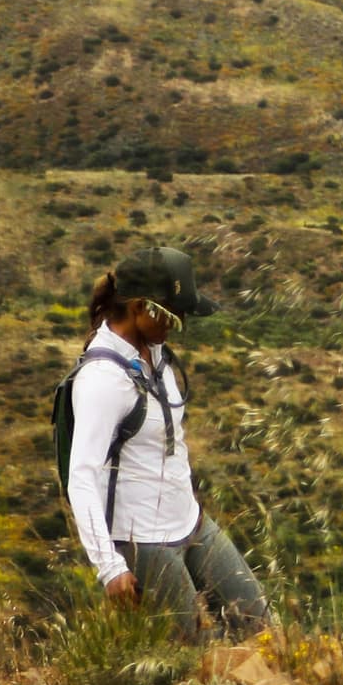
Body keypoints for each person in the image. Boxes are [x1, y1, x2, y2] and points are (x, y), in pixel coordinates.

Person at [61, 247, 266, 642]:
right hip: (143, 542)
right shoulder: (103, 379)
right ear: (140, 308)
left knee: (260, 630)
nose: (179, 324)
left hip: (191, 523)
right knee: (198, 655)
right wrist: (110, 567)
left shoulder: (154, 354)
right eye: (173, 315)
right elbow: (81, 477)